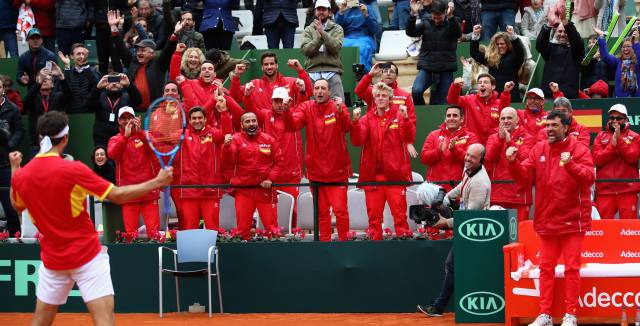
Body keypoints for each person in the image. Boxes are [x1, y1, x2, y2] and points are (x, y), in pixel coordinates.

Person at [10, 111, 173, 326]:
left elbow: (17, 206)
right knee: (104, 322)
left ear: (40, 137)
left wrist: (15, 168)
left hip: (53, 261)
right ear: (66, 138)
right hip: (87, 256)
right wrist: (156, 182)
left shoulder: (22, 176)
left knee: (39, 322)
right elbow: (116, 195)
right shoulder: (73, 169)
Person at [506, 110, 594, 326]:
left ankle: (570, 314)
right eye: (547, 126)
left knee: (572, 268)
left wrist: (571, 164)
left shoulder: (579, 148)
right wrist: (513, 162)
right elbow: (525, 178)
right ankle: (544, 314)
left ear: (566, 127)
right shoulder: (538, 149)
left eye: (554, 125)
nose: (549, 129)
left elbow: (589, 178)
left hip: (573, 220)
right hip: (547, 220)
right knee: (546, 269)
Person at [417, 143, 491, 317]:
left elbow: (470, 216)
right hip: (467, 229)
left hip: (475, 232)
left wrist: (445, 223)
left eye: (473, 157)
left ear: (481, 159)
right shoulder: (469, 170)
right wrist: (444, 198)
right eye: (467, 155)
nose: (468, 159)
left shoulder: (481, 183)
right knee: (452, 265)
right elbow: (461, 187)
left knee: (453, 265)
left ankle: (439, 307)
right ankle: (440, 306)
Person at [283, 79, 352, 241]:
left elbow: (347, 127)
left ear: (329, 91)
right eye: (316, 88)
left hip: (338, 172)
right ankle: (325, 244)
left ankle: (344, 243)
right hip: (316, 173)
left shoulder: (338, 106)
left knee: (341, 212)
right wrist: (286, 111)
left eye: (323, 88)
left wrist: (341, 112)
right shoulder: (306, 107)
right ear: (313, 91)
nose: (319, 91)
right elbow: (292, 126)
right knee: (321, 213)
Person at [351, 83, 415, 239]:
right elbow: (357, 141)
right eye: (378, 95)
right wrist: (355, 123)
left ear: (390, 98)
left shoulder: (399, 116)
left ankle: (404, 246)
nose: (380, 98)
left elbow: (409, 138)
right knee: (374, 220)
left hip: (395, 175)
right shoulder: (366, 119)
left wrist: (406, 119)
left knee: (400, 218)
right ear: (373, 98)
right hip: (373, 176)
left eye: (384, 96)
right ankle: (375, 250)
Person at [222, 112, 283, 240]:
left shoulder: (269, 140)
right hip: (244, 190)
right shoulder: (235, 139)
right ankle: (243, 257)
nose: (251, 124)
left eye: (253, 121)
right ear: (241, 124)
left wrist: (270, 178)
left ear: (257, 122)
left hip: (264, 189)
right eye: (247, 121)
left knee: (272, 228)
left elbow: (280, 162)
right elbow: (228, 162)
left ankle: (276, 257)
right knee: (243, 230)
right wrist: (226, 148)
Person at [109, 10, 179, 111]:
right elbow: (121, 48)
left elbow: (168, 50)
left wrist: (175, 34)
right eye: (138, 50)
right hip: (133, 111)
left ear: (152, 53)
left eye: (143, 50)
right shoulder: (132, 62)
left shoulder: (159, 63)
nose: (139, 53)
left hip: (155, 111)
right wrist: (114, 28)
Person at [108, 107, 161, 236]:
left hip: (148, 189)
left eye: (129, 118)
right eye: (123, 118)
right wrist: (125, 137)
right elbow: (112, 154)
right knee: (131, 234)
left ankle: (157, 255)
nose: (127, 121)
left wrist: (141, 133)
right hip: (129, 192)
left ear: (135, 119)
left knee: (154, 233)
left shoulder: (145, 135)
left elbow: (154, 148)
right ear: (118, 121)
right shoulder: (115, 139)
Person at [177, 105, 232, 230]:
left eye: (200, 118)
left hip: (210, 190)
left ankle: (213, 250)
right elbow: (162, 137)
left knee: (213, 228)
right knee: (190, 228)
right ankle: (191, 250)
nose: (197, 121)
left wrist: (224, 112)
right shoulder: (182, 135)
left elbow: (226, 135)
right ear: (189, 120)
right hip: (189, 190)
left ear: (205, 119)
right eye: (194, 118)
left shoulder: (213, 133)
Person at [406, 0, 461, 105]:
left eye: (439, 17)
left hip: (445, 68)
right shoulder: (426, 22)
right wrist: (413, 15)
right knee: (416, 91)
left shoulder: (452, 22)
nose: (436, 20)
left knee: (445, 101)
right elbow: (410, 32)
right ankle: (421, 112)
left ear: (445, 13)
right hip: (427, 67)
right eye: (434, 17)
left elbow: (458, 33)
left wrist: (451, 17)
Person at [485, 107, 534, 221]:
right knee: (498, 234)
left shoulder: (528, 137)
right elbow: (490, 158)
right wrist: (499, 140)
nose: (506, 121)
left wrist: (509, 142)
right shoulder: (493, 137)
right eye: (503, 118)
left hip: (520, 195)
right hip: (498, 194)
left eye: (509, 118)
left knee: (519, 234)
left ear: (517, 120)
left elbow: (525, 159)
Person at [592, 104, 640, 220]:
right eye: (612, 118)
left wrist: (619, 141)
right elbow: (597, 160)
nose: (615, 121)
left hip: (627, 191)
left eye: (618, 118)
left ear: (626, 119)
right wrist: (612, 145)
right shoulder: (600, 136)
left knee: (628, 230)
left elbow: (632, 158)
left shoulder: (635, 137)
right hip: (605, 191)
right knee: (603, 231)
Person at [421, 105, 480, 191]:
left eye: (455, 115)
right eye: (449, 115)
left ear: (462, 118)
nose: (451, 118)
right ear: (445, 118)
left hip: (459, 189)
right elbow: (424, 158)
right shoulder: (433, 135)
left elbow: (472, 161)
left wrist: (454, 150)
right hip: (435, 189)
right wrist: (438, 152)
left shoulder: (471, 137)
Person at [230, 53, 313, 109]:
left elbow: (309, 92)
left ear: (277, 65)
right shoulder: (254, 84)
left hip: (288, 130)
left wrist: (301, 70)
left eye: (272, 63)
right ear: (262, 67)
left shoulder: (291, 82)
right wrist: (236, 76)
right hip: (265, 131)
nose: (269, 67)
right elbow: (235, 98)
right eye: (266, 64)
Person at [300, 0, 346, 102]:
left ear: (329, 12)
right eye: (319, 9)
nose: (321, 12)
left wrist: (323, 33)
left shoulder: (337, 29)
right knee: (311, 107)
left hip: (332, 70)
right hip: (312, 71)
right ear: (315, 11)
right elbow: (305, 50)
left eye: (324, 9)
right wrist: (319, 38)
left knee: (338, 105)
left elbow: (336, 48)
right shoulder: (308, 29)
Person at [177, 61, 244, 130]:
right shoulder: (191, 84)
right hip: (197, 129)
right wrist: (177, 53)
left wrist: (223, 95)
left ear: (214, 74)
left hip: (217, 132)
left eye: (210, 69)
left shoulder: (221, 89)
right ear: (200, 74)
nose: (207, 71)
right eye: (203, 69)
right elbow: (176, 75)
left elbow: (239, 113)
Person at [447, 74, 511, 143]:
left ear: (493, 87)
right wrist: (455, 86)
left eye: (485, 82)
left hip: (492, 144)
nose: (482, 85)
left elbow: (505, 112)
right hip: (473, 144)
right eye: (480, 83)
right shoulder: (469, 100)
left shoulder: (499, 103)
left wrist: (506, 92)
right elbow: (452, 100)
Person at [470, 25, 524, 102]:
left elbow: (519, 51)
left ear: (508, 44)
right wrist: (475, 35)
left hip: (511, 97)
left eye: (502, 44)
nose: (499, 46)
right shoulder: (491, 58)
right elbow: (474, 53)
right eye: (497, 44)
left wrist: (512, 35)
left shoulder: (514, 57)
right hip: (493, 98)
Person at [537, 14, 584, 98]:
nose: (562, 34)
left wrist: (566, 23)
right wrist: (549, 25)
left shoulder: (576, 51)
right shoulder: (550, 48)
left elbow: (577, 43)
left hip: (569, 97)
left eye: (565, 31)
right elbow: (540, 45)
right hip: (549, 95)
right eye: (559, 31)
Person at [87, 74, 142, 147]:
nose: (114, 83)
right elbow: (88, 106)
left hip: (123, 135)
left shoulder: (127, 96)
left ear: (122, 85)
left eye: (117, 80)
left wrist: (129, 85)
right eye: (111, 80)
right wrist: (97, 88)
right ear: (106, 85)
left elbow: (138, 101)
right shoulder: (99, 95)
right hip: (101, 137)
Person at [23, 67, 69, 153]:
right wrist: (38, 83)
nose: (44, 80)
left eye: (47, 78)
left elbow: (68, 95)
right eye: (42, 78)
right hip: (36, 143)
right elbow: (25, 103)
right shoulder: (33, 97)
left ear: (52, 84)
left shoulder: (58, 96)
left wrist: (62, 76)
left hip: (57, 142)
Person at [0, 79, 24, 237]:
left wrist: (9, 144)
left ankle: (15, 237)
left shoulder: (12, 108)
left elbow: (20, 131)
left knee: (10, 205)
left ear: (3, 89)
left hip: (5, 165)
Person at [593, 27, 640, 97]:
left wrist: (636, 42)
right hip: (620, 99)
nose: (626, 49)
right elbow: (605, 56)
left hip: (637, 100)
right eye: (623, 47)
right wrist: (601, 37)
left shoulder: (637, 61)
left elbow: (638, 56)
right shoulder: (618, 61)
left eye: (628, 46)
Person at [335, 1, 380, 72]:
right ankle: (343, 75)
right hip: (347, 38)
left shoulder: (367, 8)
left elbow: (375, 30)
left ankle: (360, 74)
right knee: (339, 48)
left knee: (359, 48)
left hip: (365, 37)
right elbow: (336, 30)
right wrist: (340, 13)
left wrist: (366, 15)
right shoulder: (343, 10)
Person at [59, 43, 101, 114]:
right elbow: (66, 91)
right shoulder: (67, 71)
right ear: (72, 56)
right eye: (78, 54)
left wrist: (85, 65)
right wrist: (67, 66)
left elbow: (97, 87)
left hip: (89, 114)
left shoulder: (93, 71)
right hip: (71, 113)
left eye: (83, 54)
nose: (81, 56)